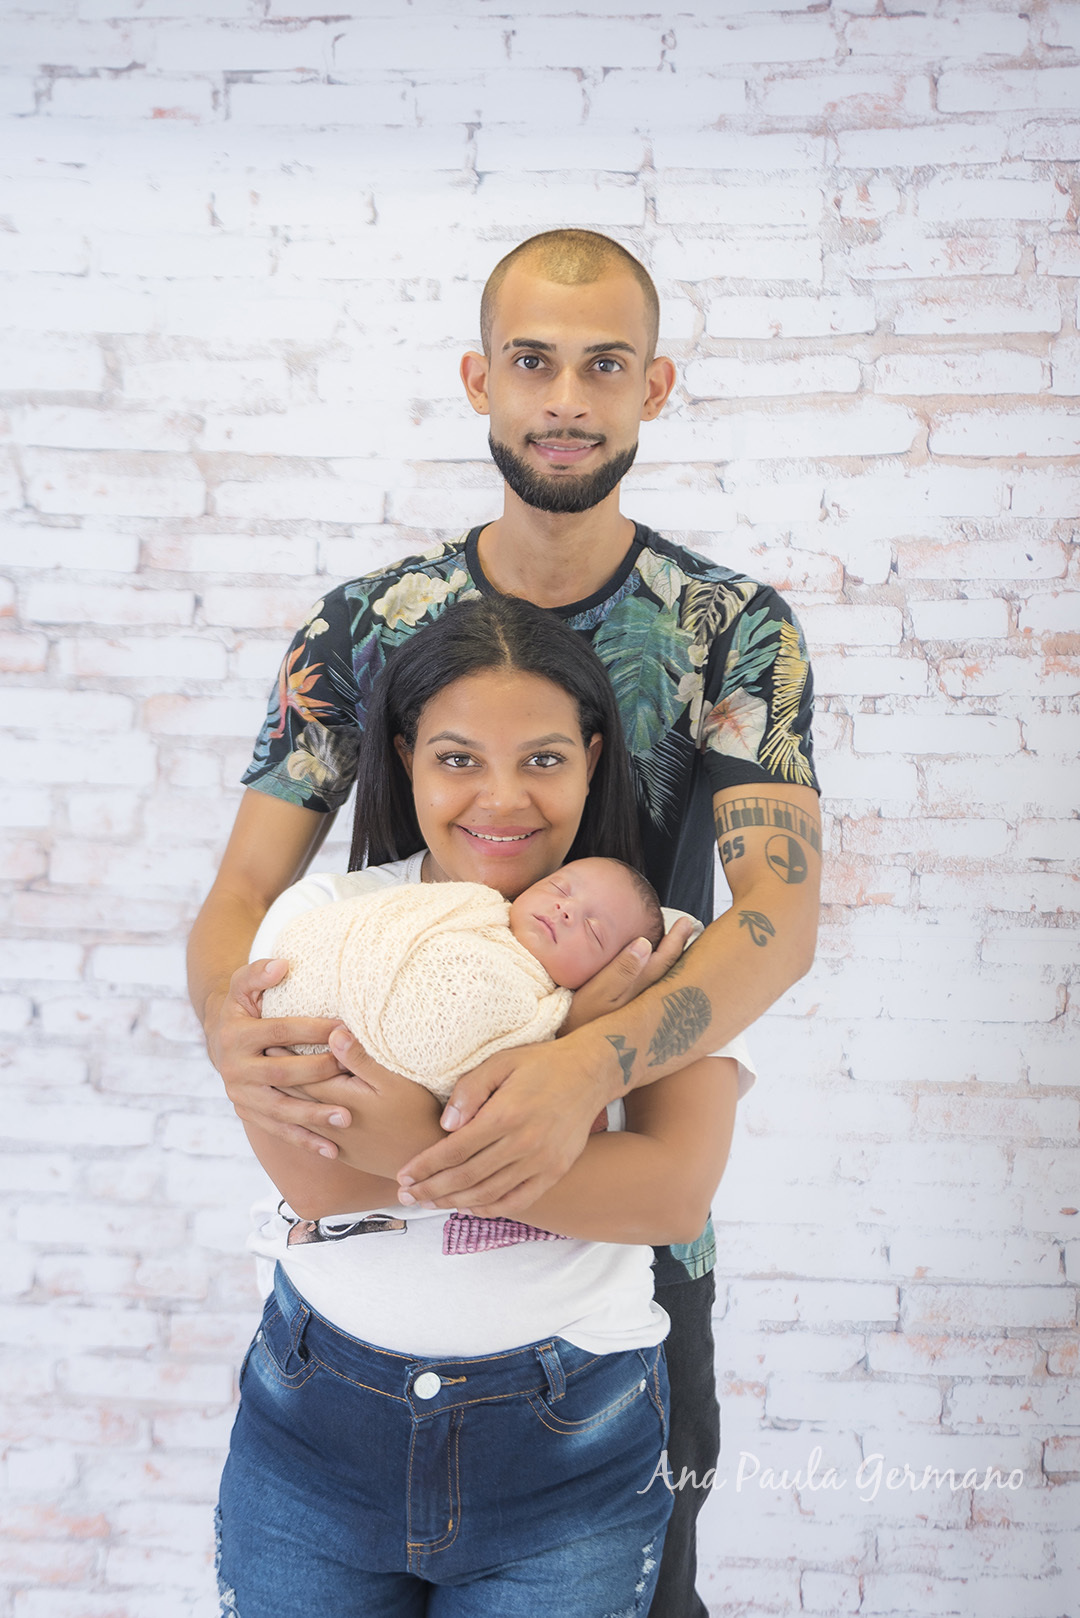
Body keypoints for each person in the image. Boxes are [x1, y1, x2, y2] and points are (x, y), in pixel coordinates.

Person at [189, 227, 822, 1618]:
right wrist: (244, 1050)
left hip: (615, 1233)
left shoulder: (731, 628)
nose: (566, 399)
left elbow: (777, 913)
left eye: (605, 365)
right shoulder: (366, 624)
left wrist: (581, 1064)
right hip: (370, 1224)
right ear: (481, 379)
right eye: (533, 362)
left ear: (654, 387)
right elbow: (241, 897)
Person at [216, 596, 751, 1616]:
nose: (503, 798)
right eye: (458, 758)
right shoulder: (331, 919)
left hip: (568, 1443)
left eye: (543, 758)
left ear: (593, 761)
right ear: (406, 758)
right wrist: (558, 1085)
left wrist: (401, 1139)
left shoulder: (661, 948)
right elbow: (316, 1183)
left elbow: (670, 1195)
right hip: (317, 1434)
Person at [257, 855, 667, 1099]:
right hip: (304, 1001)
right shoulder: (473, 901)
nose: (566, 910)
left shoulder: (547, 1013)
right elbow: (391, 916)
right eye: (559, 888)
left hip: (365, 1080)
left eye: (593, 930)